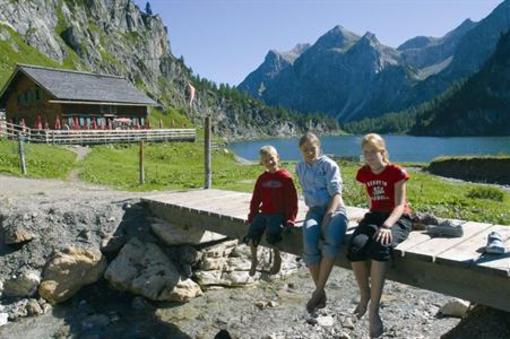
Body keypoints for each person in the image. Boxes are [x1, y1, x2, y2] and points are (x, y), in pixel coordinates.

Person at [347, 133, 412, 338]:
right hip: (375, 216)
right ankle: (365, 295)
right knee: (355, 247)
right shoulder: (364, 173)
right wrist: (368, 219)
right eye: (366, 153)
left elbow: (400, 205)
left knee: (380, 247)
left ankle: (374, 310)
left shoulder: (396, 172)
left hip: (397, 217)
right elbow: (371, 199)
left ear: (382, 152)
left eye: (373, 152)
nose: (369, 157)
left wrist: (387, 225)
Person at [296, 132, 348, 313]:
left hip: (334, 208)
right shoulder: (300, 168)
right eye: (305, 150)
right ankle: (321, 291)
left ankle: (317, 292)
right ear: (301, 151)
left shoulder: (329, 165)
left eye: (313, 148)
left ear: (319, 147)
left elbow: (337, 194)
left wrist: (329, 214)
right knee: (309, 238)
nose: (310, 152)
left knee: (331, 241)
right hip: (314, 211)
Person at [244, 145, 298, 276]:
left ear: (278, 158)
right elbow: (256, 199)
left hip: (278, 213)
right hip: (264, 212)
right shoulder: (262, 179)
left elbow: (292, 200)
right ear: (262, 162)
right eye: (266, 160)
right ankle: (254, 260)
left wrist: (290, 218)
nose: (269, 162)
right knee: (252, 232)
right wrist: (252, 214)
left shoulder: (285, 178)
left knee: (273, 233)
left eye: (272, 159)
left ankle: (277, 257)